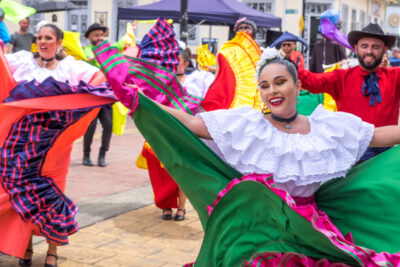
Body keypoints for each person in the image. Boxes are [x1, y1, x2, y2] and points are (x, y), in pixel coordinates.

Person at [94, 41, 400, 265]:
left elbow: (379, 135)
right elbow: (191, 122)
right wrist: (139, 100)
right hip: (258, 230)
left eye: (280, 82)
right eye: (265, 86)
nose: (272, 91)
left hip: (311, 230)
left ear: (296, 85)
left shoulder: (325, 126)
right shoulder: (248, 126)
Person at [2, 23, 100, 267]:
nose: (43, 42)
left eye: (48, 38)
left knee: (53, 195)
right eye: (39, 38)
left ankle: (52, 251)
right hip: (21, 147)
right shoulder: (23, 62)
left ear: (59, 42)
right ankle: (25, 248)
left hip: (55, 148)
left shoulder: (71, 68)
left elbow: (100, 80)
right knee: (22, 195)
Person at [298, 23, 400, 162]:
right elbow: (312, 81)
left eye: (375, 47)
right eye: (364, 46)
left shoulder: (395, 76)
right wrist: (286, 66)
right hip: (350, 153)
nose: (369, 51)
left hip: (385, 155)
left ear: (384, 49)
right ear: (356, 49)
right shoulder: (341, 77)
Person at [82, 23, 112, 167]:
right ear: (89, 37)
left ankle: (102, 155)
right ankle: (86, 155)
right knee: (91, 125)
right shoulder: (86, 50)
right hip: (91, 95)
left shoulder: (108, 50)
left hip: (106, 94)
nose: (99, 37)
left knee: (108, 124)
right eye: (96, 35)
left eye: (101, 34)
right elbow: (88, 58)